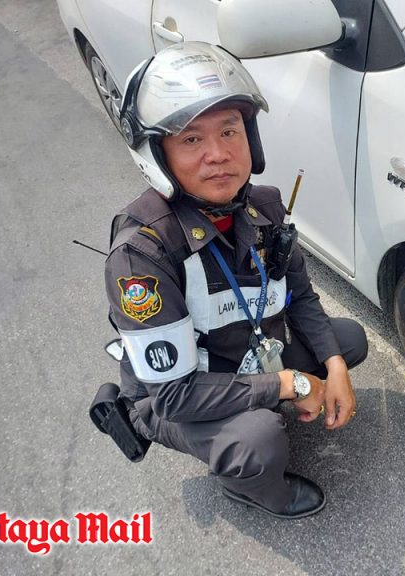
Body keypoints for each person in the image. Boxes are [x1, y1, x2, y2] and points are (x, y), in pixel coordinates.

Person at [103, 42, 368, 519]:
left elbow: (300, 295)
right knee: (257, 440)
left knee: (347, 341)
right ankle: (255, 488)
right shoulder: (141, 256)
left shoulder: (262, 206)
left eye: (230, 131)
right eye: (191, 140)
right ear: (157, 155)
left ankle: (264, 404)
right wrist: (290, 384)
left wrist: (334, 368)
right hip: (175, 392)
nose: (218, 155)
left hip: (245, 350)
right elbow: (175, 395)